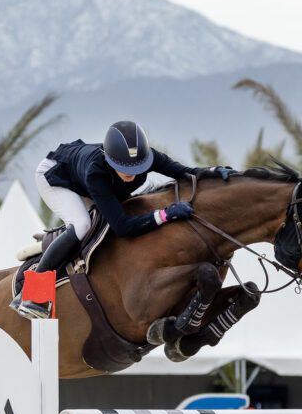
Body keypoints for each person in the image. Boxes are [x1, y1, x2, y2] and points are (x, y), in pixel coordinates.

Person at [12, 120, 234, 319]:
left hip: (80, 176)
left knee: (103, 223)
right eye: (123, 169)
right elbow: (123, 228)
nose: (131, 174)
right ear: (110, 160)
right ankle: (31, 294)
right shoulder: (96, 172)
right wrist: (166, 214)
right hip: (56, 177)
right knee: (82, 225)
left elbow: (185, 172)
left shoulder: (148, 157)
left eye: (137, 168)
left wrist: (214, 172)